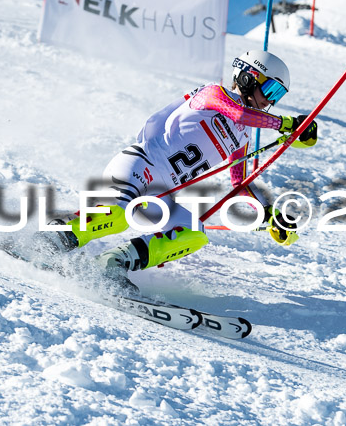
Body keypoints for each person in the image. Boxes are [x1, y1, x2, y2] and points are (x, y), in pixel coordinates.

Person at [44, 50, 318, 291]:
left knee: (192, 233)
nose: (269, 102)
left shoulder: (243, 135)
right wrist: (288, 123)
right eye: (269, 91)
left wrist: (270, 215)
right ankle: (51, 240)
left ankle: (111, 264)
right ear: (248, 78)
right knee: (119, 217)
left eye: (277, 96)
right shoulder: (214, 93)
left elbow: (239, 182)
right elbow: (238, 113)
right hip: (141, 164)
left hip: (163, 192)